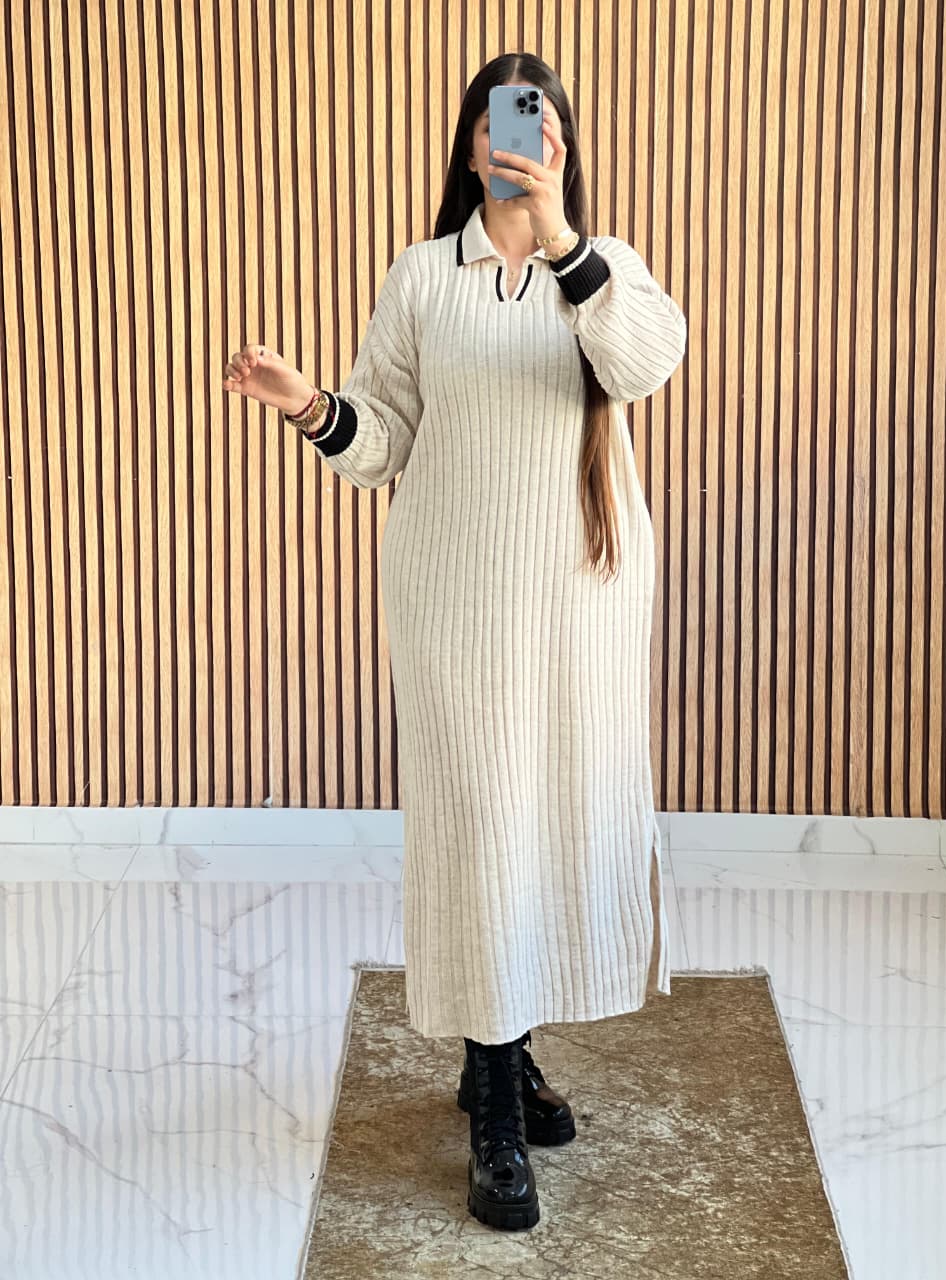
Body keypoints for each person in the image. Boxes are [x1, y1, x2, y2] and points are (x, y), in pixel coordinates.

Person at [223, 52, 687, 1233]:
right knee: (481, 827)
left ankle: (505, 1052)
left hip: (581, 603)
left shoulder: (607, 269)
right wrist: (306, 404)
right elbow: (381, 440)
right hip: (454, 604)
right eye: (495, 120)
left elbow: (645, 363)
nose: (514, 138)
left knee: (549, 821)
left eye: (536, 121)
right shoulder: (423, 275)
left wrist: (564, 237)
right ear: (471, 145)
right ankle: (493, 1098)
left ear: (561, 143)